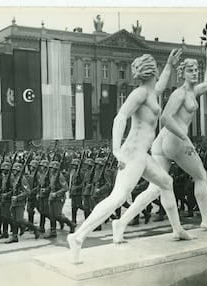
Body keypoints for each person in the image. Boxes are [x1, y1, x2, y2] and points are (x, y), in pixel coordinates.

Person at [68, 49, 190, 264]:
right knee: (118, 197)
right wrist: (115, 149)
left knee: (166, 183)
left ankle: (174, 229)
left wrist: (170, 65)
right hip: (132, 153)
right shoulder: (140, 93)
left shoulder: (150, 92)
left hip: (140, 154)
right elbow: (120, 117)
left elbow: (160, 86)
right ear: (153, 71)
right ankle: (77, 236)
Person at [111, 44, 207, 245]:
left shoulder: (192, 91)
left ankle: (121, 222)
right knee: (201, 175)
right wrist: (186, 139)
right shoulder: (179, 94)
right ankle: (205, 219)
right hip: (174, 140)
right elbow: (166, 119)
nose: (195, 73)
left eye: (196, 70)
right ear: (182, 74)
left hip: (162, 142)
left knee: (155, 188)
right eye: (190, 70)